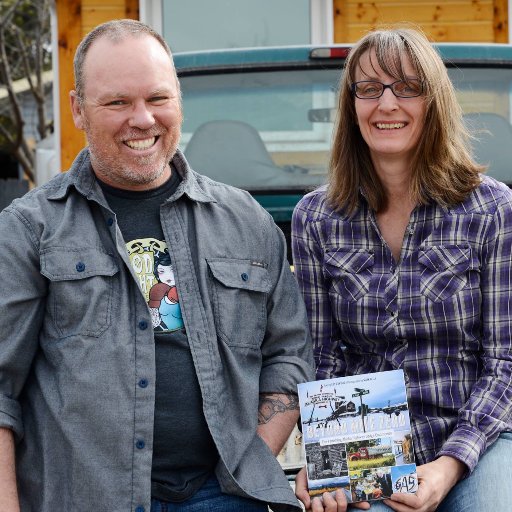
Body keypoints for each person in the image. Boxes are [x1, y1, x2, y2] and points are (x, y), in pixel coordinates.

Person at [0, 19, 314, 512]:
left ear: (179, 102)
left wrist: (248, 456)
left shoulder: (246, 221)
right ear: (79, 109)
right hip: (84, 498)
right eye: (117, 102)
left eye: (157, 98)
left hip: (222, 495)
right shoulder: (29, 228)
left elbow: (289, 353)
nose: (142, 119)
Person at [292, 27, 512, 512]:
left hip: (477, 435)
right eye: (369, 89)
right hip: (367, 440)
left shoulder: (492, 210)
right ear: (352, 106)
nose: (386, 104)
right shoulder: (316, 219)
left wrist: (448, 464)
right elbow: (322, 358)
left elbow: (504, 363)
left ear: (433, 101)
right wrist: (326, 457)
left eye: (407, 87)